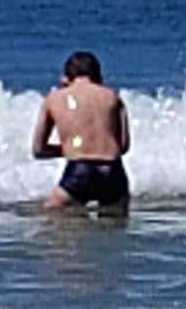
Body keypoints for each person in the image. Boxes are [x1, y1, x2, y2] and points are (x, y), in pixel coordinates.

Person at [32, 51, 131, 214]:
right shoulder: (113, 97)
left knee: (51, 220)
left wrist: (69, 149)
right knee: (113, 233)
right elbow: (124, 146)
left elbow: (38, 150)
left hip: (80, 170)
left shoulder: (54, 99)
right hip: (114, 171)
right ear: (98, 76)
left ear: (65, 78)